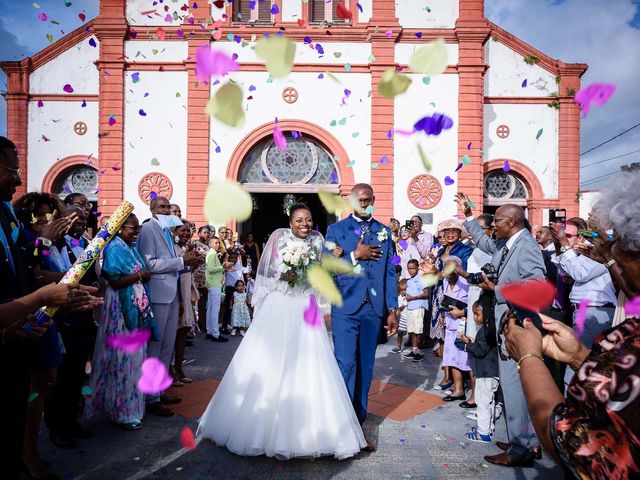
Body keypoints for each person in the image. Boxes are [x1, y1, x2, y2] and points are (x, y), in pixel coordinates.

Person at [197, 204, 366, 459]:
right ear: (291, 222)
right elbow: (268, 274)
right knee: (270, 361)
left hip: (305, 305)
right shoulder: (279, 238)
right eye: (299, 220)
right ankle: (258, 429)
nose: (305, 224)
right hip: (281, 304)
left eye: (308, 220)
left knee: (310, 363)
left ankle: (313, 433)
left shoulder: (318, 241)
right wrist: (288, 273)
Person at [457, 192, 545, 468]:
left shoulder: (527, 246)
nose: (493, 225)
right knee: (515, 387)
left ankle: (521, 449)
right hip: (507, 322)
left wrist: (498, 290)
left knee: (514, 386)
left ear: (513, 222)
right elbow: (485, 242)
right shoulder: (509, 243)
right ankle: (525, 441)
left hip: (517, 325)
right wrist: (469, 216)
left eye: (497, 220)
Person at [325, 183, 398, 450]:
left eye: (369, 200)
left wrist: (392, 308)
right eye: (360, 200)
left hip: (373, 310)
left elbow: (391, 272)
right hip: (345, 307)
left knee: (366, 369)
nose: (365, 204)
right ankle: (339, 428)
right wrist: (355, 255)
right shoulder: (336, 230)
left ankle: (357, 425)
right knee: (346, 365)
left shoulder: (384, 232)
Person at [84, 213, 157, 431]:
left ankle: (131, 407)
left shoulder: (129, 246)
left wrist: (143, 275)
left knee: (134, 361)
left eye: (137, 229)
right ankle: (123, 412)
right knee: (123, 361)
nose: (135, 233)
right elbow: (114, 280)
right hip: (120, 309)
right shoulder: (114, 247)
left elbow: (143, 271)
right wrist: (140, 276)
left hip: (134, 306)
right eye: (131, 228)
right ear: (119, 228)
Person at [136, 196, 202, 416]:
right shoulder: (148, 229)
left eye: (168, 207)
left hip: (172, 293)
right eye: (162, 207)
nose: (166, 210)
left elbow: (171, 263)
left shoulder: (167, 230)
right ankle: (151, 397)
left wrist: (188, 262)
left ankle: (162, 389)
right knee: (156, 345)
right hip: (158, 294)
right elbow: (149, 264)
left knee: (167, 344)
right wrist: (182, 262)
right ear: (152, 209)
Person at [550, 218, 616, 349]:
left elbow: (579, 273)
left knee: (579, 363)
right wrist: (559, 243)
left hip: (595, 311)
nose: (590, 214)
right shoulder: (590, 244)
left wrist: (563, 242)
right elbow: (566, 270)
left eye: (568, 235)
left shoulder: (604, 246)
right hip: (584, 311)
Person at [456, 301, 499, 443]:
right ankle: (489, 428)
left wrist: (466, 346)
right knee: (490, 402)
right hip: (491, 373)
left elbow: (480, 351)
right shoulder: (489, 329)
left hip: (485, 373)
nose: (474, 317)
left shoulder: (486, 331)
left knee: (483, 403)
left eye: (477, 314)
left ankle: (483, 433)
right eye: (473, 314)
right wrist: (471, 342)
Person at [439, 256, 471, 402]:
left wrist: (462, 313)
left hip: (464, 324)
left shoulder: (467, 282)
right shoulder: (445, 281)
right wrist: (443, 314)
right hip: (450, 324)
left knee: (466, 359)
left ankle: (474, 395)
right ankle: (458, 389)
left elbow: (475, 305)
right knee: (452, 357)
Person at [173, 221, 199, 384]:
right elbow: (174, 274)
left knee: (184, 329)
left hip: (186, 290)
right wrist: (181, 300)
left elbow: (188, 271)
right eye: (182, 230)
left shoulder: (185, 249)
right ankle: (170, 370)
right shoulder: (172, 249)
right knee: (174, 332)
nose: (186, 234)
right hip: (177, 293)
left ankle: (178, 367)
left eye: (188, 231)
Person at [402, 259, 429, 362]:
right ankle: (414, 350)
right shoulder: (409, 280)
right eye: (409, 268)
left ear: (417, 268)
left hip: (418, 308)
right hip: (410, 307)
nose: (411, 270)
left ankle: (420, 352)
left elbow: (426, 294)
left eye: (413, 268)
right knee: (412, 331)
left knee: (418, 331)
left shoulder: (420, 279)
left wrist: (413, 298)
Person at [204, 236, 228, 342]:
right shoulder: (212, 254)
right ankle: (215, 333)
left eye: (219, 243)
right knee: (215, 309)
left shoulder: (212, 253)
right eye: (215, 243)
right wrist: (223, 267)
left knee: (210, 309)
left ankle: (210, 331)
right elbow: (210, 269)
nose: (218, 245)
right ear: (211, 244)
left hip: (212, 284)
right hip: (214, 285)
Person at [221, 251, 249, 334]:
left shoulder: (239, 267)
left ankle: (236, 326)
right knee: (228, 308)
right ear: (229, 258)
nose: (233, 259)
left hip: (237, 289)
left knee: (238, 308)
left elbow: (247, 270)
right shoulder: (226, 265)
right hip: (229, 288)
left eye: (235, 258)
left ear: (237, 259)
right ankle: (224, 327)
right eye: (231, 257)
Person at [192, 225, 211, 332]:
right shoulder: (195, 244)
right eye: (204, 232)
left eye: (208, 233)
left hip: (206, 276)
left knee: (203, 302)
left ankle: (202, 323)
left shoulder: (208, 245)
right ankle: (195, 324)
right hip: (197, 275)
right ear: (199, 233)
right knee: (196, 300)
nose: (206, 234)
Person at [391, 279, 409, 354]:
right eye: (401, 290)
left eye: (404, 290)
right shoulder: (399, 297)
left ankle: (416, 348)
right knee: (400, 332)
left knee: (413, 333)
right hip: (402, 317)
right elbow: (399, 307)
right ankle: (398, 346)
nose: (403, 291)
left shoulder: (409, 296)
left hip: (409, 316)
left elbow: (404, 306)